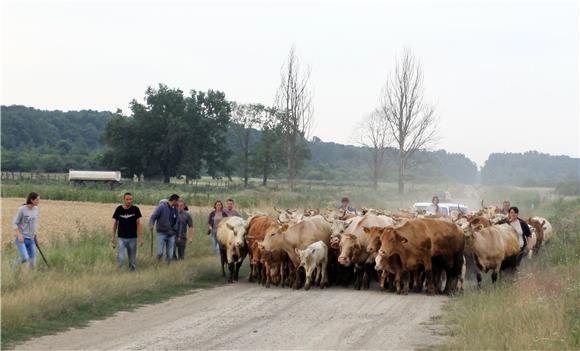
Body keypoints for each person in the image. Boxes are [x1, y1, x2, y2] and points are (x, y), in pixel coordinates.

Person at [112, 192, 143, 271]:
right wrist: (113, 237)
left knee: (132, 260)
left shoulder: (135, 209)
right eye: (127, 199)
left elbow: (138, 224)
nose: (129, 201)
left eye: (130, 199)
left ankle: (132, 274)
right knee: (121, 258)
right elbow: (115, 224)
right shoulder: (119, 209)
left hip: (132, 237)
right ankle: (121, 273)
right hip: (121, 238)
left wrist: (141, 238)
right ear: (124, 199)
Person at [13, 192, 41, 268]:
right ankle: (13, 266)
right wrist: (19, 235)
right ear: (32, 200)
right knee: (25, 258)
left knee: (33, 264)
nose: (39, 201)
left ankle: (31, 278)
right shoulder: (22, 209)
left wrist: (35, 236)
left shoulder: (36, 209)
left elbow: (34, 224)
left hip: (31, 239)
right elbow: (15, 223)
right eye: (37, 199)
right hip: (22, 239)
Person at [149, 194, 180, 263]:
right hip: (161, 233)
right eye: (177, 201)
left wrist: (177, 235)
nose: (178, 203)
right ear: (174, 200)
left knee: (170, 255)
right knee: (160, 253)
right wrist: (151, 224)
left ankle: (167, 268)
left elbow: (177, 222)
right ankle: (156, 264)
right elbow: (153, 216)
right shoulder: (162, 207)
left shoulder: (175, 209)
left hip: (171, 234)